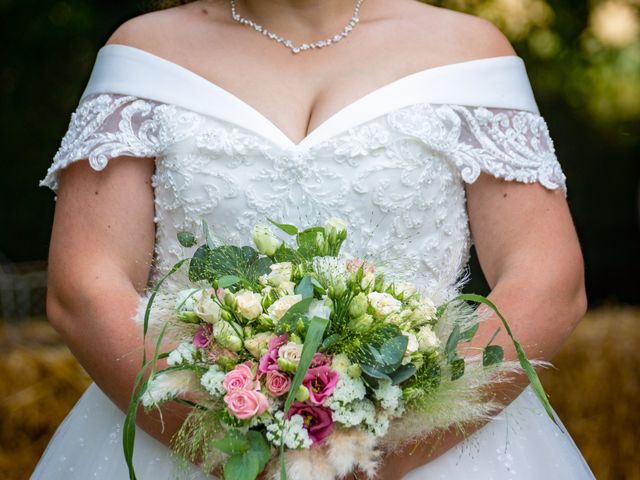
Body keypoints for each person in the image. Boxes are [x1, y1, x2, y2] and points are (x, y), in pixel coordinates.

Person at [32, 0, 595, 478]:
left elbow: (547, 281)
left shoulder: (469, 53)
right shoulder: (143, 57)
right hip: (185, 440)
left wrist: (382, 451)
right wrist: (241, 455)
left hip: (432, 452)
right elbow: (86, 288)